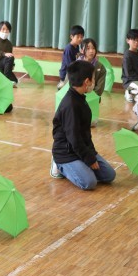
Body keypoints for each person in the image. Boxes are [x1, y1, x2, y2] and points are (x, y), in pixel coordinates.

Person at [50, 61, 116, 190]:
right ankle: (59, 165)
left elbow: (85, 134)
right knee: (89, 183)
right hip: (66, 153)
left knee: (109, 175)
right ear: (87, 81)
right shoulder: (70, 105)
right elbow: (74, 138)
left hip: (80, 148)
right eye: (93, 78)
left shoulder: (80, 98)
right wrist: (89, 159)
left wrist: (91, 154)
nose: (94, 81)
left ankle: (80, 165)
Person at [122, 28, 138, 102]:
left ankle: (134, 94)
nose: (136, 42)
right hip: (129, 81)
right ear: (128, 41)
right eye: (134, 40)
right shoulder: (127, 55)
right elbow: (129, 74)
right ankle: (129, 91)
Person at [57, 25, 84, 89]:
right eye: (78, 37)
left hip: (72, 72)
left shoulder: (77, 46)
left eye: (81, 37)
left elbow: (76, 58)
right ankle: (60, 85)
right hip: (66, 74)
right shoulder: (69, 48)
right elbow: (69, 64)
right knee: (64, 89)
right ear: (71, 37)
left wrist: (81, 54)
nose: (80, 39)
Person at [0, 21, 18, 85]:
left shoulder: (9, 44)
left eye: (7, 30)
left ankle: (5, 77)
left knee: (15, 81)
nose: (5, 31)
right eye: (3, 29)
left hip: (6, 67)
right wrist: (4, 54)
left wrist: (13, 65)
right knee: (10, 58)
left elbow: (10, 54)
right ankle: (6, 78)